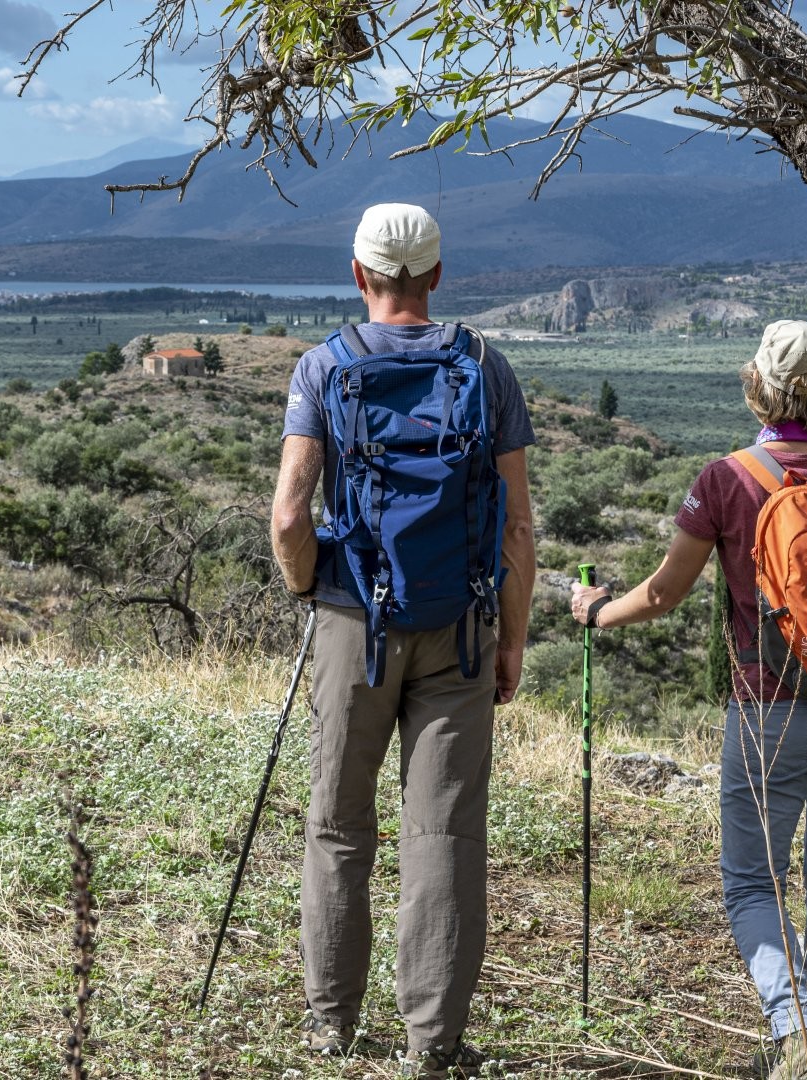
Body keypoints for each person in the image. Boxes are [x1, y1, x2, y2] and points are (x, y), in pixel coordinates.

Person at [568, 320, 807, 1080]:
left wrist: (598, 611)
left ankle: (801, 1037)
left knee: (753, 881)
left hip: (771, 712)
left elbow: (663, 594)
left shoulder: (726, 480)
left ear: (757, 382)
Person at [270, 202, 537, 1079]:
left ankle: (330, 1027)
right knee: (446, 836)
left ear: (359, 276)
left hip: (354, 622)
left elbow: (288, 515)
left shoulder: (324, 367)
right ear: (437, 275)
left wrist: (312, 588)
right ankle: (433, 1042)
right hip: (461, 625)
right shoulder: (485, 367)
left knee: (339, 827)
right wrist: (510, 638)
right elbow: (519, 531)